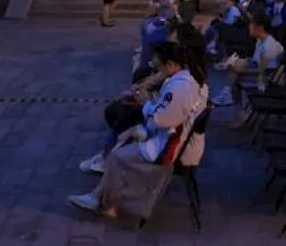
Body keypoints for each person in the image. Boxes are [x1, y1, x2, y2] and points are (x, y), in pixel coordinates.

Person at [68, 41, 208, 220]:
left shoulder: (180, 86)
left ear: (171, 65)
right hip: (167, 136)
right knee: (121, 143)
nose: (158, 70)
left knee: (119, 153)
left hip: (167, 146)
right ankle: (102, 198)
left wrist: (145, 113)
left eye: (159, 66)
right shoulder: (182, 80)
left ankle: (105, 201)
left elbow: (164, 119)